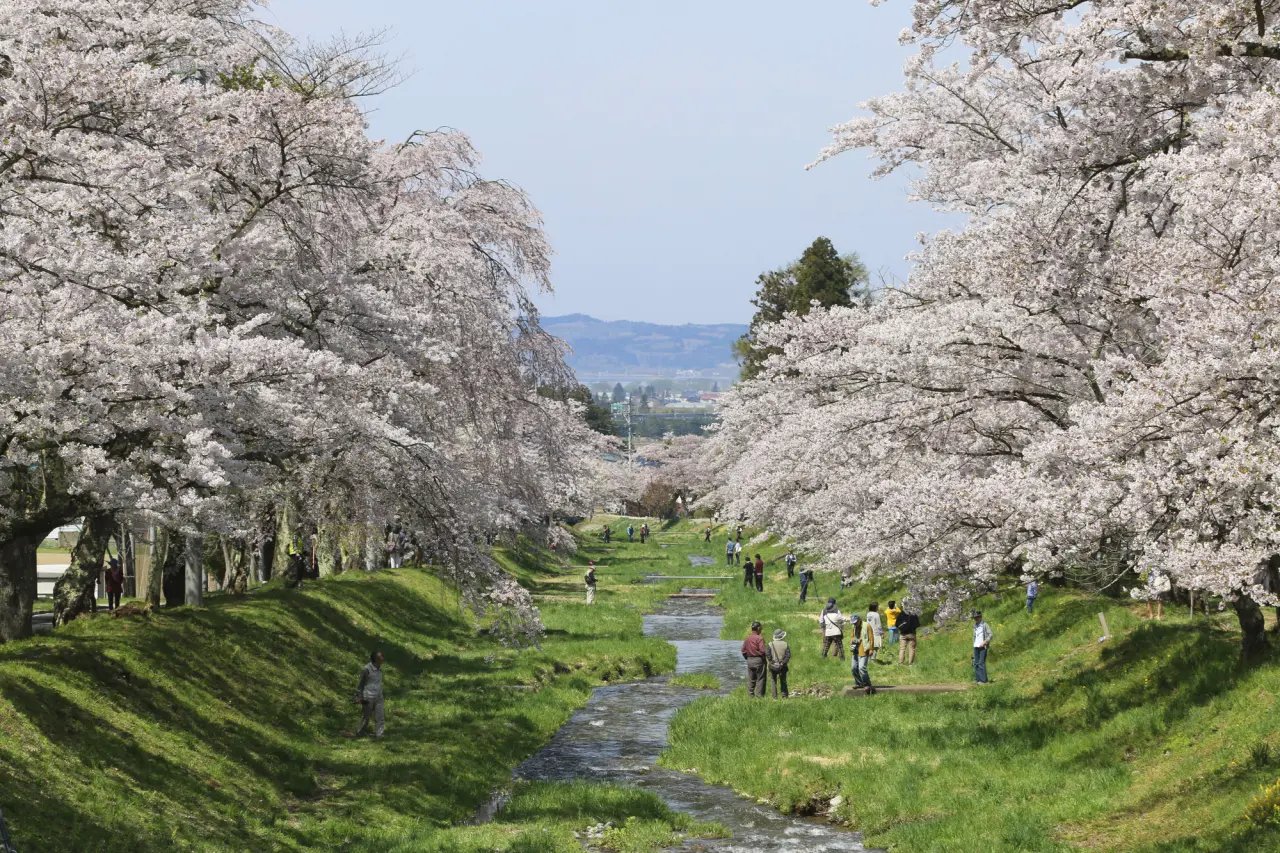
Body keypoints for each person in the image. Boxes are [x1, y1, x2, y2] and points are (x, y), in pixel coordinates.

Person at [354, 649, 386, 737]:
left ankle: (379, 734)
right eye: (380, 657)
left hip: (379, 696)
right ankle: (359, 733)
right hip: (368, 696)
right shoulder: (367, 669)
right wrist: (359, 697)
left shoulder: (380, 669)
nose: (383, 658)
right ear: (375, 659)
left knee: (380, 717)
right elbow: (360, 684)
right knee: (366, 717)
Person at [741, 621, 767, 698]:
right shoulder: (759, 638)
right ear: (758, 628)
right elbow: (762, 651)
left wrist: (747, 658)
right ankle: (759, 697)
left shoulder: (747, 638)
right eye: (761, 628)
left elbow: (743, 650)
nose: (761, 629)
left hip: (749, 660)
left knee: (751, 679)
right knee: (760, 679)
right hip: (758, 660)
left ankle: (750, 696)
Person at [852, 613, 877, 692]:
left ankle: (867, 684)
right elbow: (852, 637)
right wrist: (855, 640)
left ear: (859, 619)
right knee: (854, 668)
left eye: (856, 622)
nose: (855, 623)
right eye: (853, 622)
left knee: (862, 668)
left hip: (865, 649)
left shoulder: (867, 625)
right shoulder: (854, 627)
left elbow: (871, 637)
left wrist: (871, 649)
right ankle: (859, 683)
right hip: (855, 650)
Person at [766, 628, 791, 699]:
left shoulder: (770, 644)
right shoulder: (785, 644)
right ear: (782, 636)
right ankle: (784, 696)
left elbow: (768, 654)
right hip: (783, 666)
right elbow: (788, 655)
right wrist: (783, 662)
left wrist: (772, 662)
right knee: (783, 681)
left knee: (773, 681)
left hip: (773, 666)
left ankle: (774, 697)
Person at [972, 610, 993, 683]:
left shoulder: (985, 625)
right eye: (975, 618)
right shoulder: (975, 626)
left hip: (983, 646)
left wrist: (985, 642)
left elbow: (990, 634)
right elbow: (975, 636)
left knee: (981, 663)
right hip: (976, 646)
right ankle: (978, 680)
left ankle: (984, 680)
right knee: (976, 663)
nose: (976, 619)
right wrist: (974, 645)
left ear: (980, 617)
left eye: (977, 617)